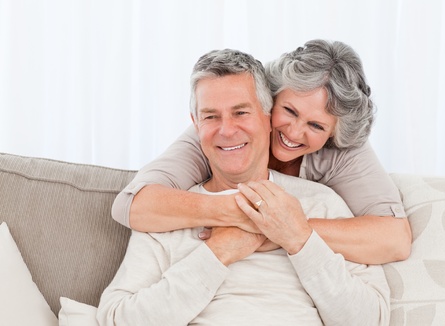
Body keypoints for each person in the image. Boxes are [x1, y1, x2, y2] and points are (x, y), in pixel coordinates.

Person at [97, 48, 390, 325]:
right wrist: (218, 252)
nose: (226, 130)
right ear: (196, 124)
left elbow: (371, 318)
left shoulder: (323, 203)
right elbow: (116, 319)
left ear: (267, 118)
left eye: (241, 113)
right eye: (210, 116)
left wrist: (298, 237)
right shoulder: (167, 213)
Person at [112, 39, 411, 264]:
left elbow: (394, 239)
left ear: (334, 132)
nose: (294, 132)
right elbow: (133, 205)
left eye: (316, 126)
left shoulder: (344, 150)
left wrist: (281, 230)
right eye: (289, 111)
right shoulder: (225, 129)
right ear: (268, 102)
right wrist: (240, 214)